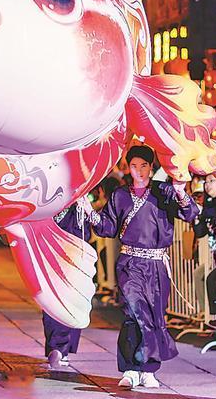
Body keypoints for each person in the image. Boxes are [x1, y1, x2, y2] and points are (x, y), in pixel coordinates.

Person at [91, 145, 197, 389]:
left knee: (154, 316)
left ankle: (148, 369)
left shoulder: (163, 192)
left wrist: (180, 192)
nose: (138, 171)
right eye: (134, 166)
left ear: (151, 167)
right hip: (130, 264)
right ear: (128, 168)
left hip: (157, 265)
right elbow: (108, 227)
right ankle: (130, 368)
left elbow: (190, 214)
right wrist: (91, 213)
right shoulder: (120, 195)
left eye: (144, 166)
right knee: (133, 314)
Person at [43, 196, 95, 369]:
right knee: (50, 304)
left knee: (70, 303)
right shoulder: (46, 205)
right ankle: (56, 348)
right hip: (50, 260)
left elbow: (86, 235)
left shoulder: (78, 205)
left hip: (73, 261)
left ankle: (60, 348)